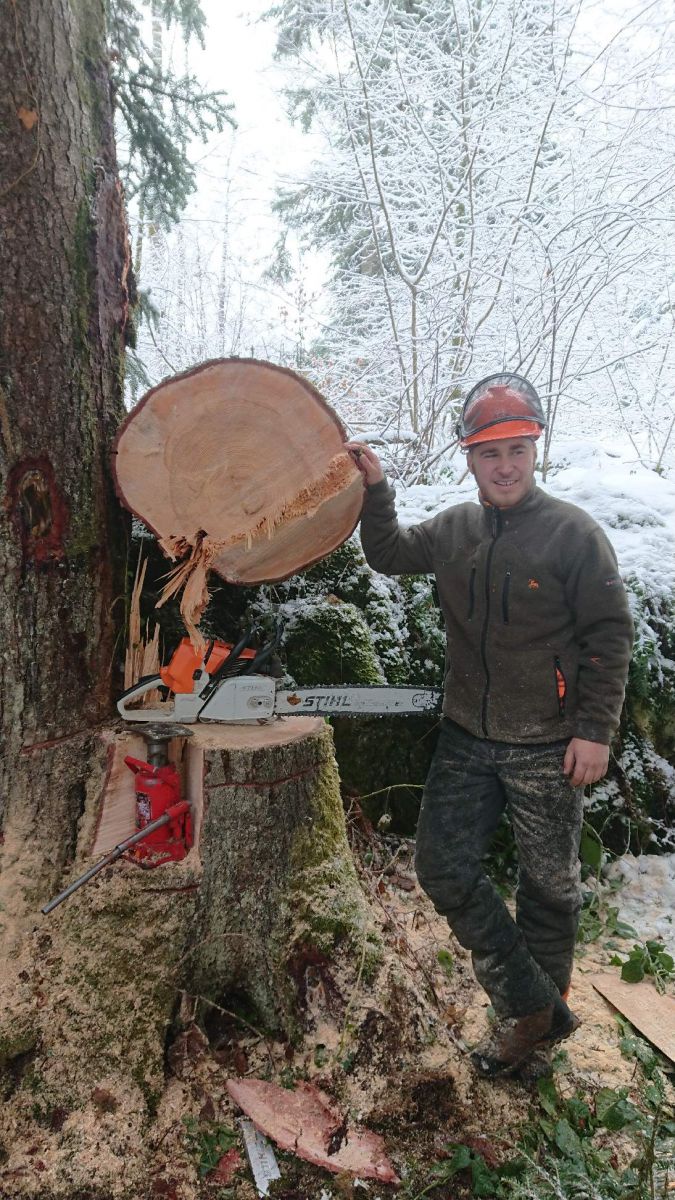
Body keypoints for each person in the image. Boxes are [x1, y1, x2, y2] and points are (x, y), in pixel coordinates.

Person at [346, 373, 634, 1078]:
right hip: (466, 737)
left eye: (516, 451)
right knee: (440, 867)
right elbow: (385, 554)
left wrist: (593, 730)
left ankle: (526, 1044)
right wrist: (376, 489)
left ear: (534, 451)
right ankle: (531, 1002)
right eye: (488, 454)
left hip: (549, 742)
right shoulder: (452, 530)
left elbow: (609, 635)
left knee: (548, 889)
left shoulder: (572, 534)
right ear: (468, 459)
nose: (503, 466)